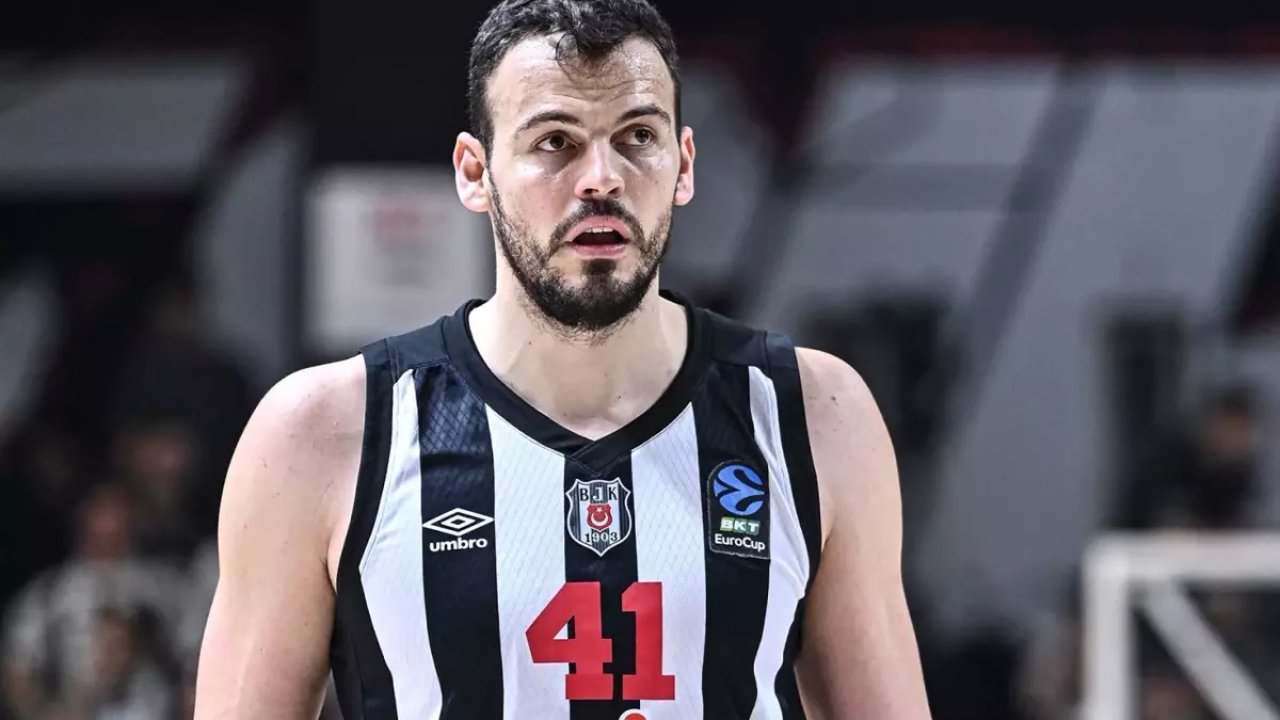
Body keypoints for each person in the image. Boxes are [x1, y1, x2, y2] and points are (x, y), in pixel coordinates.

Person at [192, 1, 932, 717]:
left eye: (637, 136)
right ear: (475, 172)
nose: (601, 178)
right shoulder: (321, 434)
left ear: (683, 165)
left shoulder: (815, 414)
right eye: (555, 142)